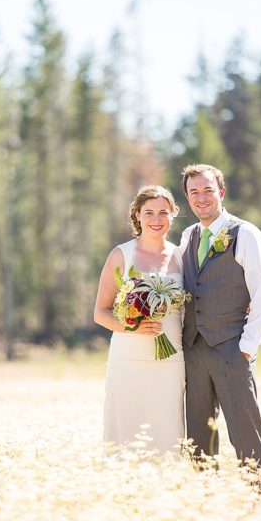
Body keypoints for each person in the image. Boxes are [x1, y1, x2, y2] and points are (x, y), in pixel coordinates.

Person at [178, 164, 261, 472]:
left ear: (221, 192)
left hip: (232, 348)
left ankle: (260, 497)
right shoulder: (188, 236)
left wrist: (247, 347)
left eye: (207, 190)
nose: (201, 198)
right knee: (198, 436)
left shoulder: (246, 234)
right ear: (188, 198)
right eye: (194, 192)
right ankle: (206, 502)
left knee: (245, 434)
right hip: (194, 350)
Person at [93, 185, 185, 453]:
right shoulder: (121, 254)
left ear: (172, 216)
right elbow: (100, 312)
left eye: (163, 213)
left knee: (168, 427)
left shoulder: (181, 256)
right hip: (128, 356)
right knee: (126, 427)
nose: (156, 219)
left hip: (171, 358)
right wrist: (134, 327)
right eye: (149, 212)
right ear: (137, 215)